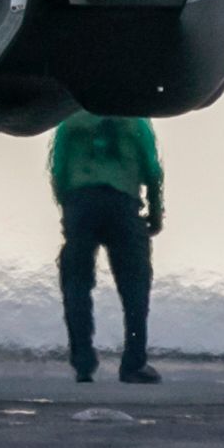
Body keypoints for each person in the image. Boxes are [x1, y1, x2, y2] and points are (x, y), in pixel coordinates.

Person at [50, 109, 164, 385]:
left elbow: (58, 169)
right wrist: (156, 213)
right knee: (135, 288)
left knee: (76, 283)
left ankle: (83, 363)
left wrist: (67, 208)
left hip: (81, 203)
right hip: (123, 204)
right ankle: (133, 363)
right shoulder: (136, 120)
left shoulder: (69, 119)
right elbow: (152, 169)